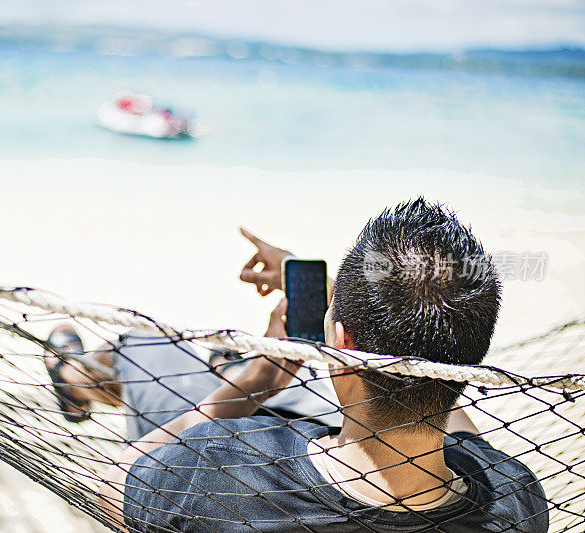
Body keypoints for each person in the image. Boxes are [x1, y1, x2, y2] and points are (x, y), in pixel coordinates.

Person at [48, 198, 549, 532]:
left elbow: (100, 476)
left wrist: (259, 379)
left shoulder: (217, 469)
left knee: (145, 351)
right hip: (382, 414)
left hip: (231, 434)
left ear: (338, 340)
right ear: (472, 358)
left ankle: (73, 378)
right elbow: (448, 402)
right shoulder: (514, 500)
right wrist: (347, 311)